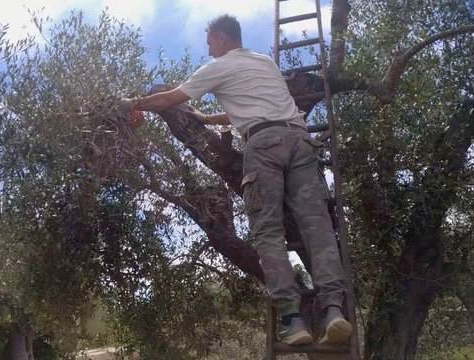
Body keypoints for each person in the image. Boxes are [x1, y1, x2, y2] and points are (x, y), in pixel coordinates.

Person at [119, 14, 352, 345]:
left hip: (264, 146)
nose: (208, 47)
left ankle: (292, 318)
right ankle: (334, 311)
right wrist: (206, 118)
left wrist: (134, 103)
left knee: (269, 232)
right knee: (318, 227)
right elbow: (244, 108)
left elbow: (171, 99)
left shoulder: (219, 67)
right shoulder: (266, 64)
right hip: (299, 141)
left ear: (223, 39)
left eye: (210, 41)